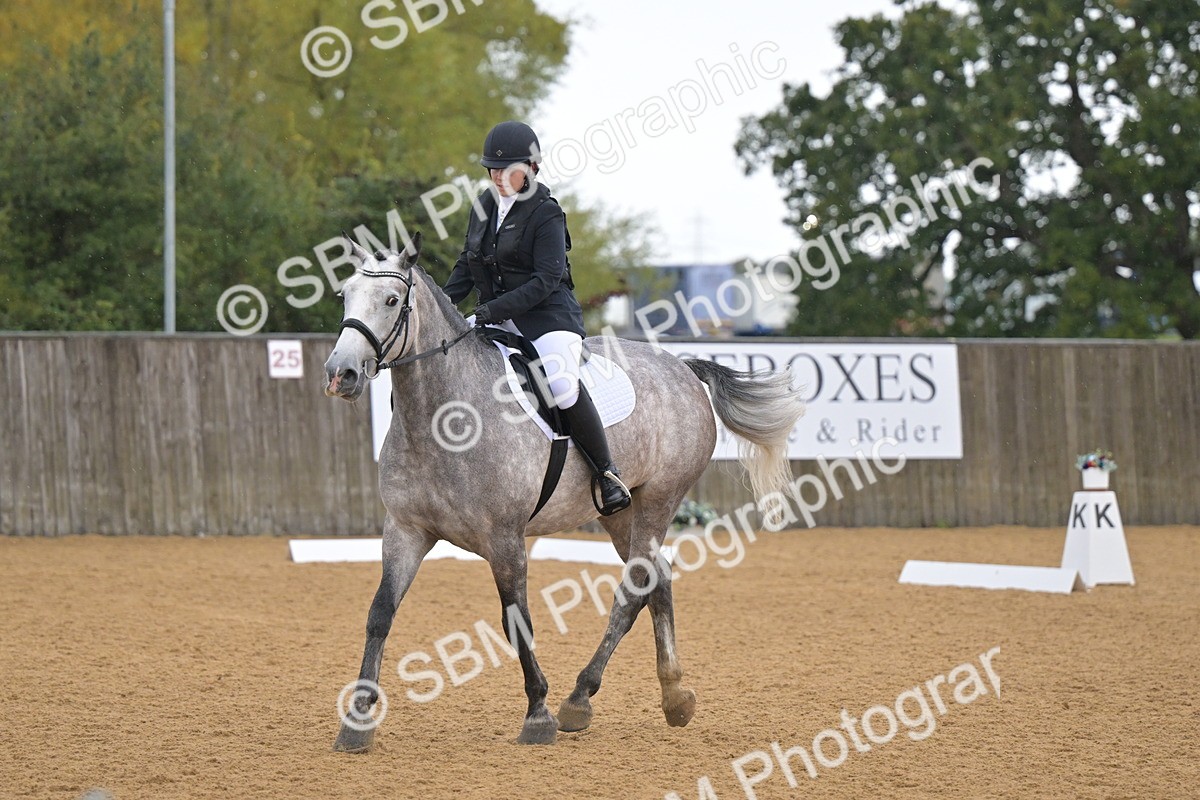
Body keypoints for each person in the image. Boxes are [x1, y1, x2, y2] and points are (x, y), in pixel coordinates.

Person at [443, 121, 631, 516]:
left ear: (530, 167)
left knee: (561, 385)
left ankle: (607, 473)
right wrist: (441, 306)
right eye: (492, 169)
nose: (497, 177)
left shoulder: (546, 214)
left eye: (506, 169)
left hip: (548, 318)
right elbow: (467, 263)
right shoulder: (483, 206)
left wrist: (492, 310)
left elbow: (545, 280)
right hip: (495, 317)